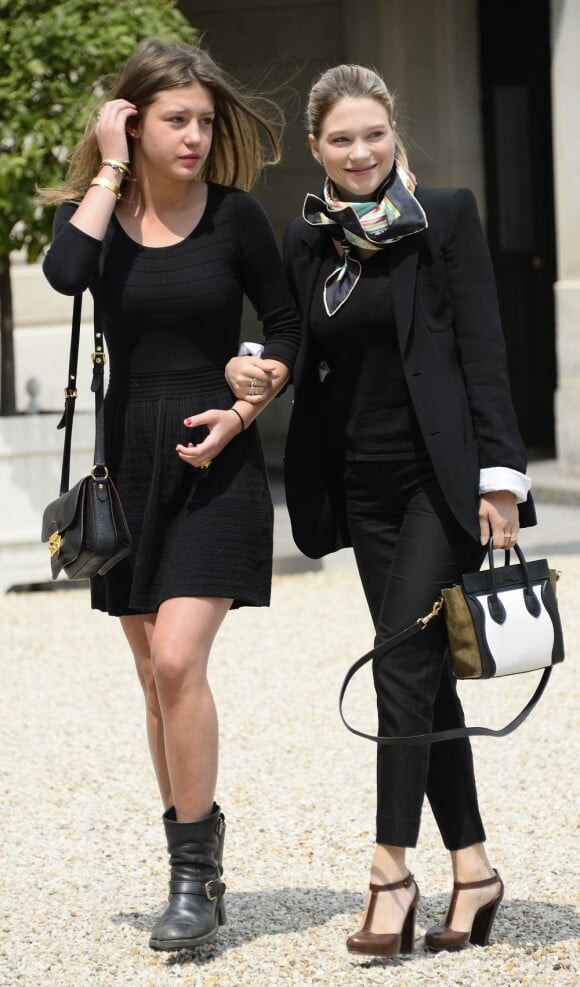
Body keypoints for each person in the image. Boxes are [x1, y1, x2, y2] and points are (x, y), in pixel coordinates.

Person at [225, 64, 536, 958]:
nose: (360, 152)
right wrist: (251, 365)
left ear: (393, 132)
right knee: (425, 673)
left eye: (374, 134)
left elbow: (483, 346)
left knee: (400, 663)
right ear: (317, 149)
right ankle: (473, 870)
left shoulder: (446, 218)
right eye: (341, 139)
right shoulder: (307, 239)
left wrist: (501, 480)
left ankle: (388, 870)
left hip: (441, 482)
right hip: (362, 486)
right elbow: (291, 338)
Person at [41, 37, 300, 952]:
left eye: (204, 121)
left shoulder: (235, 219)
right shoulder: (99, 215)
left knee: (181, 661)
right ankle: (195, 865)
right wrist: (109, 169)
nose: (195, 136)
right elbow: (65, 276)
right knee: (155, 681)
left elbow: (286, 322)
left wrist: (247, 401)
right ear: (134, 121)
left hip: (214, 458)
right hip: (128, 465)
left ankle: (194, 884)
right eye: (175, 120)